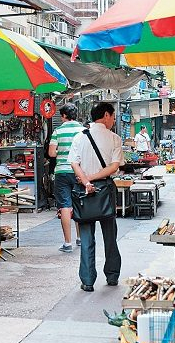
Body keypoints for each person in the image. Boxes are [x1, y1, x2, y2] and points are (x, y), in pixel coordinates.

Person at [68, 102, 124, 292]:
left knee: (86, 238)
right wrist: (91, 178)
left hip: (84, 192)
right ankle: (112, 276)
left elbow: (74, 164)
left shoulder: (79, 137)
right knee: (110, 236)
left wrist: (85, 180)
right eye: (113, 116)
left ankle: (87, 280)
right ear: (106, 115)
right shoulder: (114, 138)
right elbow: (114, 167)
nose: (114, 120)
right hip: (105, 190)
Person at [48, 103, 84, 253]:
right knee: (79, 204)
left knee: (65, 206)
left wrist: (61, 153)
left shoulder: (58, 130)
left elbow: (51, 153)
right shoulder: (83, 130)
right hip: (78, 172)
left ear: (63, 116)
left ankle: (67, 243)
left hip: (62, 172)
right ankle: (81, 238)